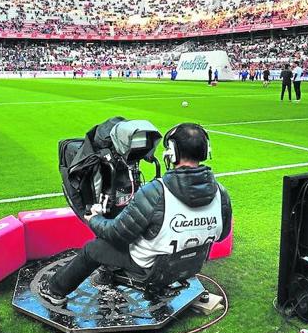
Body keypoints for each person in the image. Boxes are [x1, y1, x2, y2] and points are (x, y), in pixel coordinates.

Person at [39, 123, 233, 305]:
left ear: (172, 153)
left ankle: (54, 290)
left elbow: (116, 233)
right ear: (207, 151)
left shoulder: (156, 192)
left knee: (94, 248)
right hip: (190, 265)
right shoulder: (221, 192)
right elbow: (222, 234)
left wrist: (94, 219)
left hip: (150, 269)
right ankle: (111, 273)